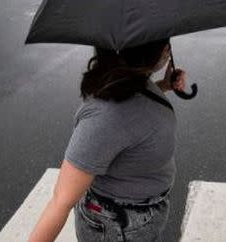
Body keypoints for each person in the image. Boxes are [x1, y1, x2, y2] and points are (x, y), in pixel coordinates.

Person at [28, 39, 187, 242]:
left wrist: (164, 86)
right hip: (117, 226)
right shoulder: (104, 117)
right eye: (166, 44)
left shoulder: (129, 83)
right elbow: (61, 201)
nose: (168, 49)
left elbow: (132, 113)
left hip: (135, 217)